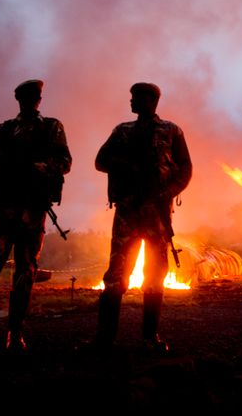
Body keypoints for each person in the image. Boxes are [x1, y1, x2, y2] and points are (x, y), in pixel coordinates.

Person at [0, 79, 71, 353]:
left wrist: (37, 168)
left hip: (32, 208)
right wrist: (2, 167)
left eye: (35, 96)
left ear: (39, 100)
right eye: (26, 96)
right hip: (5, 209)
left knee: (25, 274)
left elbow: (64, 162)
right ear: (19, 99)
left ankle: (15, 336)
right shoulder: (6, 130)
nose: (31, 101)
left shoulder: (50, 127)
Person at [93, 82, 192, 352]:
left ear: (151, 100)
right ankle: (104, 340)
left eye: (136, 98)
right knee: (115, 275)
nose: (131, 102)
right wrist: (127, 165)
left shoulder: (171, 130)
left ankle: (150, 338)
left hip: (157, 216)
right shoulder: (122, 131)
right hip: (128, 213)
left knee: (155, 275)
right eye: (131, 97)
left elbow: (185, 167)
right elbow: (101, 160)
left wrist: (169, 190)